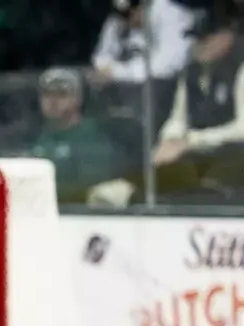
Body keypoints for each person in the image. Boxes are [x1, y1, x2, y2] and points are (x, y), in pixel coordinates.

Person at [155, 14, 244, 196]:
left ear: (225, 37)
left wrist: (190, 141)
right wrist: (170, 139)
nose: (198, 46)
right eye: (195, 39)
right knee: (161, 170)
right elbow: (178, 117)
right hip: (196, 152)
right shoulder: (191, 72)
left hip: (233, 153)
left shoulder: (240, 67)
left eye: (204, 39)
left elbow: (242, 129)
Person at [31, 68, 134, 206]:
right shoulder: (38, 137)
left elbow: (86, 191)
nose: (53, 101)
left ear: (77, 99)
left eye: (62, 94)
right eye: (47, 94)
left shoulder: (92, 139)